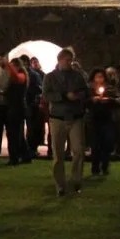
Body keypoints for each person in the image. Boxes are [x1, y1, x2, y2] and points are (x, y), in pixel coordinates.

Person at [43, 48, 90, 196]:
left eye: (71, 60)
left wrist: (77, 96)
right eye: (67, 60)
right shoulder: (50, 77)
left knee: (78, 151)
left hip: (75, 117)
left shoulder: (77, 76)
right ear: (60, 60)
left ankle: (76, 180)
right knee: (58, 154)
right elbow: (46, 94)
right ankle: (60, 185)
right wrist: (64, 96)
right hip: (58, 118)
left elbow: (85, 91)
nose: (69, 63)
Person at [88, 68, 117, 175]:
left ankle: (105, 166)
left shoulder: (110, 89)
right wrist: (92, 100)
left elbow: (117, 100)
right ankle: (95, 167)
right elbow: (85, 102)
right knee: (95, 145)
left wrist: (108, 100)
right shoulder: (89, 89)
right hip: (94, 119)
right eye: (97, 77)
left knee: (107, 144)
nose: (99, 79)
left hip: (107, 119)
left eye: (101, 76)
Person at [4, 57, 29, 165]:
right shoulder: (17, 76)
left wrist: (7, 64)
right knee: (17, 134)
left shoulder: (21, 76)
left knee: (14, 134)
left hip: (17, 109)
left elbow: (16, 77)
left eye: (13, 66)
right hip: (14, 107)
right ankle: (25, 156)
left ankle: (14, 157)